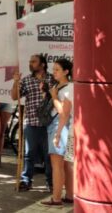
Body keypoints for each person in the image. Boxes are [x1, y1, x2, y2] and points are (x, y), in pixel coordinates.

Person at [11, 53, 54, 191]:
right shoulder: (26, 80)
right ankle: (26, 180)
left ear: (42, 64)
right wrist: (16, 81)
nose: (31, 64)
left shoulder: (52, 79)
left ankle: (50, 182)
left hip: (48, 124)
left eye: (34, 61)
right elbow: (14, 97)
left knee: (49, 155)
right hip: (31, 123)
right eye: (30, 61)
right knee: (29, 154)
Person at [41, 59, 74, 206]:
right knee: (65, 164)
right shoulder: (57, 86)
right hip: (59, 125)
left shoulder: (70, 87)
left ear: (66, 72)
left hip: (61, 126)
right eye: (53, 69)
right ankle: (69, 196)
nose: (54, 72)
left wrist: (54, 96)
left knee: (58, 164)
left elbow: (63, 112)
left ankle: (56, 198)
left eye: (57, 70)